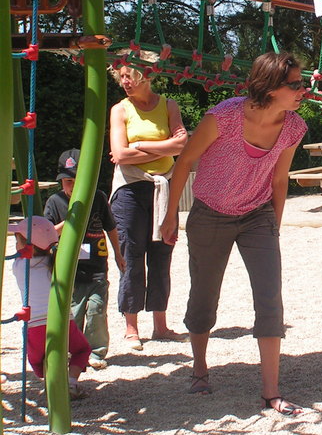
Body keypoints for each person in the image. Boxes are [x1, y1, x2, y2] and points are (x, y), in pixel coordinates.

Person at [161, 51, 308, 415]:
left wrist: (274, 225)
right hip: (210, 213)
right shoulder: (225, 116)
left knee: (270, 297)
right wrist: (169, 217)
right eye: (296, 84)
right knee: (205, 293)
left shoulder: (293, 127)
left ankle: (271, 391)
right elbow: (185, 163)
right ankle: (199, 369)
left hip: (257, 216)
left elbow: (278, 178)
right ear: (272, 87)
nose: (303, 89)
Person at [108, 53, 188, 350]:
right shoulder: (120, 109)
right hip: (130, 189)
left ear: (147, 76)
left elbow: (182, 145)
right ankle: (131, 328)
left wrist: (139, 145)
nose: (125, 82)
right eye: (122, 77)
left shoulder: (168, 106)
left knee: (162, 253)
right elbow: (120, 154)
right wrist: (162, 148)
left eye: (131, 76)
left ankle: (161, 324)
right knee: (131, 257)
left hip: (163, 187)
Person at [44, 149, 126, 370]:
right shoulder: (55, 201)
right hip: (70, 270)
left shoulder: (98, 198)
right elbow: (48, 233)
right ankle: (76, 352)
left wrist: (119, 254)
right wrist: (70, 218)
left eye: (76, 180)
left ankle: (97, 352)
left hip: (98, 266)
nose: (71, 186)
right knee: (75, 312)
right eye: (67, 181)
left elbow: (111, 227)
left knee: (97, 309)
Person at [8, 216, 91, 399]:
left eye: (17, 241)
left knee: (37, 361)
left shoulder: (19, 266)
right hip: (63, 322)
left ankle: (51, 382)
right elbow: (84, 252)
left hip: (35, 326)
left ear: (24, 245)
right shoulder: (58, 261)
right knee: (82, 350)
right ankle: (70, 382)